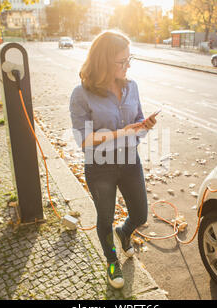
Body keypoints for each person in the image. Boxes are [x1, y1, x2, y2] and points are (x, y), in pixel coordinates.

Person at [69, 30, 157, 289]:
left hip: (130, 160)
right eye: (122, 61)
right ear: (103, 61)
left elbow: (137, 121)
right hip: (100, 167)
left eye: (130, 59)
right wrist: (123, 132)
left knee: (140, 214)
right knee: (105, 218)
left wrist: (144, 125)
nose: (127, 65)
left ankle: (125, 232)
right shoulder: (81, 94)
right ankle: (111, 260)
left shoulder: (132, 86)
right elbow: (83, 140)